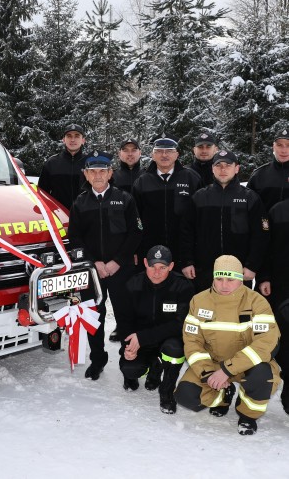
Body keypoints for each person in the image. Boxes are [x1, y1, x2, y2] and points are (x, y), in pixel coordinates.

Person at [175, 255, 281, 436]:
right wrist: (208, 372)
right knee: (186, 395)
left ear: (240, 279)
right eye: (219, 279)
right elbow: (192, 342)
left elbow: (266, 343)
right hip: (213, 364)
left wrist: (226, 370)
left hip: (248, 365)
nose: (224, 285)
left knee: (262, 378)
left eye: (230, 279)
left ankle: (247, 416)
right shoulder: (198, 301)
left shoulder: (258, 302)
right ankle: (223, 395)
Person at [68, 150, 142, 381]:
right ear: (86, 175)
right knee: (94, 316)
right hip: (94, 271)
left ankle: (128, 362)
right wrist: (95, 262)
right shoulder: (80, 202)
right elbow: (75, 238)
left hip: (121, 269)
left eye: (102, 171)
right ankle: (97, 359)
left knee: (125, 317)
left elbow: (136, 233)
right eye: (93, 171)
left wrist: (117, 262)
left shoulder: (125, 198)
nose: (98, 175)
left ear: (111, 173)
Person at [118, 245, 195, 414]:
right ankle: (151, 367)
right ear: (145, 263)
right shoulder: (133, 284)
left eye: (163, 267)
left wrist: (143, 337)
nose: (156, 272)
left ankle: (167, 392)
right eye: (152, 266)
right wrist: (127, 347)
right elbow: (124, 322)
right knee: (130, 369)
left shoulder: (183, 287)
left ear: (172, 266)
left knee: (175, 350)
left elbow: (180, 324)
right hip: (140, 342)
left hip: (167, 340)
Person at [181, 150, 269, 292]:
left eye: (228, 165)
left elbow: (260, 236)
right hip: (204, 271)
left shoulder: (250, 198)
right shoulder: (200, 198)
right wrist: (187, 261)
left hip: (238, 272)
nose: (223, 169)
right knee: (206, 312)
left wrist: (252, 265)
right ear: (212, 168)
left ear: (236, 168)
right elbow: (186, 232)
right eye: (218, 165)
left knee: (236, 312)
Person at [132, 134, 202, 266]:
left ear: (177, 154)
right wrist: (136, 248)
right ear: (153, 155)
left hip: (184, 250)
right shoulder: (142, 182)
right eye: (159, 151)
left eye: (169, 151)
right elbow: (135, 219)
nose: (164, 155)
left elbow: (200, 217)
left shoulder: (191, 178)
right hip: (150, 250)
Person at [110, 137, 145, 342]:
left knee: (142, 286)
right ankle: (122, 325)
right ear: (120, 154)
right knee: (121, 289)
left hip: (144, 239)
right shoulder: (113, 176)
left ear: (140, 153)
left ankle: (142, 324)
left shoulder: (147, 175)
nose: (130, 153)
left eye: (134, 150)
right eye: (126, 150)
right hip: (120, 243)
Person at [258, 197, 289, 414]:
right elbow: (265, 249)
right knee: (284, 339)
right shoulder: (277, 211)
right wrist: (264, 276)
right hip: (281, 286)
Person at [38, 123, 87, 210]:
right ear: (63, 140)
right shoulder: (52, 163)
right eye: (69, 136)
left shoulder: (91, 163)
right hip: (58, 215)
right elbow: (42, 193)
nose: (72, 139)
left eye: (77, 136)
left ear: (83, 140)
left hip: (85, 216)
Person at [247, 127, 289, 211]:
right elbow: (248, 207)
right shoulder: (259, 174)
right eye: (279, 145)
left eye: (288, 145)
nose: (284, 150)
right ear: (273, 147)